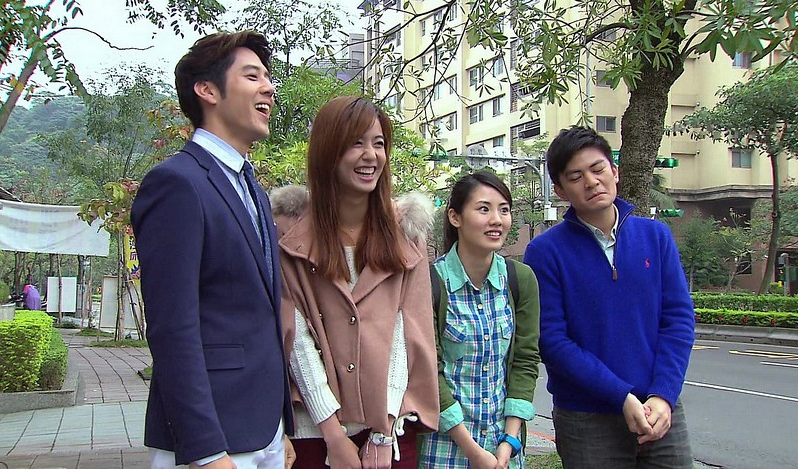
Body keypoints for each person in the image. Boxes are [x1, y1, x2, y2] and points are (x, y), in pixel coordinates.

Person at [131, 30, 294, 469]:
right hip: (212, 441)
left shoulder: (253, 190)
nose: (269, 88)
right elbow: (172, 327)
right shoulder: (177, 183)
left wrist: (279, 427)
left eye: (268, 78)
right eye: (252, 76)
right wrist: (205, 450)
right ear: (207, 90)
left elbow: (259, 315)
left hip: (262, 430)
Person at [269, 96, 439, 469]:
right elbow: (295, 335)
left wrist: (382, 432)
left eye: (378, 143)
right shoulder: (289, 234)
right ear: (328, 151)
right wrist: (333, 435)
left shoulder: (406, 232)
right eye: (356, 143)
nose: (370, 155)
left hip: (390, 431)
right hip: (314, 430)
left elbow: (408, 331)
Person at [523, 126, 695, 468]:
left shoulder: (656, 236)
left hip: (659, 411)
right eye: (576, 176)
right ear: (560, 190)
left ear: (614, 171)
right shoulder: (545, 252)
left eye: (598, 169)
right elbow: (552, 340)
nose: (591, 182)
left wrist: (663, 395)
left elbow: (678, 319)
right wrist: (620, 395)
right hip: (587, 419)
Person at [419, 171, 540, 469]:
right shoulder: (428, 282)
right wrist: (473, 451)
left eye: (504, 210)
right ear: (455, 217)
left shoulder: (520, 279)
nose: (496, 220)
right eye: (484, 209)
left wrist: (510, 441)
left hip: (503, 449)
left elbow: (525, 360)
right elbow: (427, 371)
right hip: (444, 451)